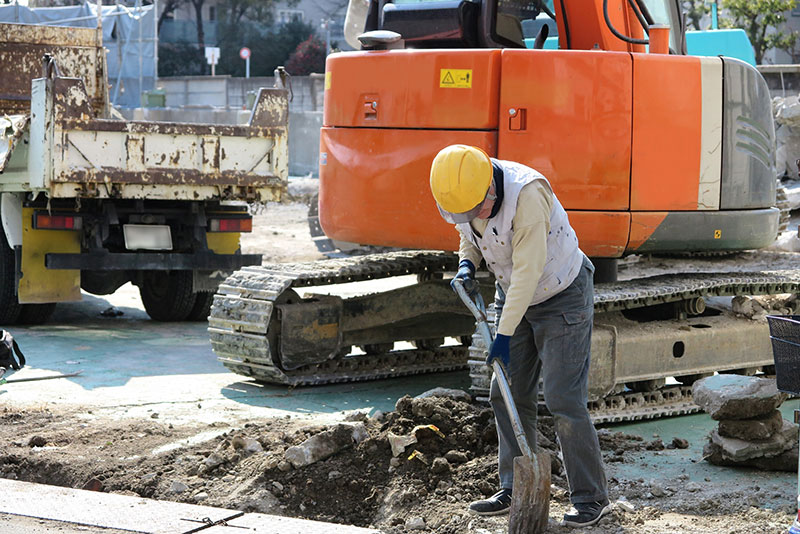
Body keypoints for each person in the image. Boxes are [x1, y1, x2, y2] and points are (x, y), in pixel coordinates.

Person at [429, 144, 610, 528]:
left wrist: (504, 336)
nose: (473, 216)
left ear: (490, 193)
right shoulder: (463, 187)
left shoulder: (527, 195)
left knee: (563, 398)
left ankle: (591, 498)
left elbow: (528, 273)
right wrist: (466, 264)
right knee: (506, 392)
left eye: (477, 208)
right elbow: (469, 232)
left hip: (560, 293)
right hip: (512, 292)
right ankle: (513, 485)